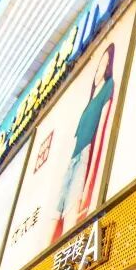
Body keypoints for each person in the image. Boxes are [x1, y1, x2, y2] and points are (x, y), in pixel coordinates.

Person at [49, 42, 117, 242]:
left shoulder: (108, 87)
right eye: (99, 65)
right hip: (72, 162)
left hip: (83, 160)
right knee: (54, 218)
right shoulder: (89, 100)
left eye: (104, 65)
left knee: (70, 225)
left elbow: (101, 132)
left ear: (108, 68)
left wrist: (88, 183)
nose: (99, 70)